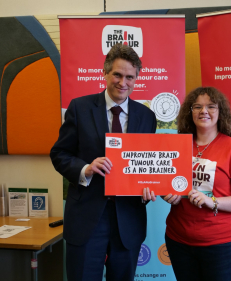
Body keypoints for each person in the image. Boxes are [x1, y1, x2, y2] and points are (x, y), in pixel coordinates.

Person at [50, 43, 157, 281]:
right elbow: (59, 154)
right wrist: (86, 169)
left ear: (136, 78)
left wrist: (150, 186)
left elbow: (149, 164)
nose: (123, 82)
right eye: (117, 75)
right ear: (105, 73)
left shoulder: (147, 117)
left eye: (130, 77)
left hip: (128, 221)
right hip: (87, 219)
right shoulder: (79, 108)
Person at [159, 87, 231, 281]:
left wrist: (212, 201)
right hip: (178, 241)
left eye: (211, 106)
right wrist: (167, 194)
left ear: (220, 112)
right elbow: (167, 181)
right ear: (190, 112)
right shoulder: (177, 145)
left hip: (222, 245)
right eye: (197, 107)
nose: (203, 111)